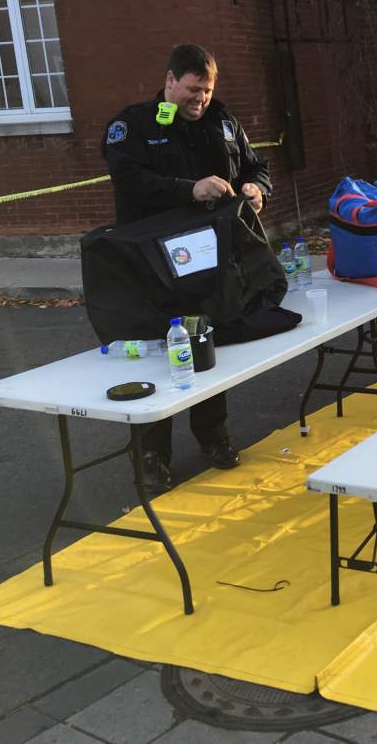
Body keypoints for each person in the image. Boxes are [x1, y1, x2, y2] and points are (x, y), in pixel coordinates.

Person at [101, 43, 272, 492]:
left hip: (209, 261)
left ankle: (213, 436)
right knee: (159, 357)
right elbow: (130, 179)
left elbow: (257, 166)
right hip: (151, 264)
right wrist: (187, 189)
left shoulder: (223, 121)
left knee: (205, 348)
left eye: (208, 92)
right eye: (193, 90)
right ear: (170, 80)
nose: (200, 100)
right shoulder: (133, 124)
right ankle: (152, 456)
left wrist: (256, 187)